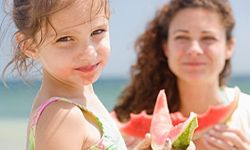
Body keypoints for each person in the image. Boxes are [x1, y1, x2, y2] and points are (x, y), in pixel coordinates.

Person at [1, 0, 155, 149]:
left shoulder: (82, 94)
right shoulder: (64, 117)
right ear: (30, 46)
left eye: (97, 31)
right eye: (65, 39)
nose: (89, 54)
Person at [113, 0, 250, 149]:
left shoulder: (246, 112)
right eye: (182, 37)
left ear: (229, 46)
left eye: (208, 38)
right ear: (166, 47)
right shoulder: (122, 127)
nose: (194, 49)